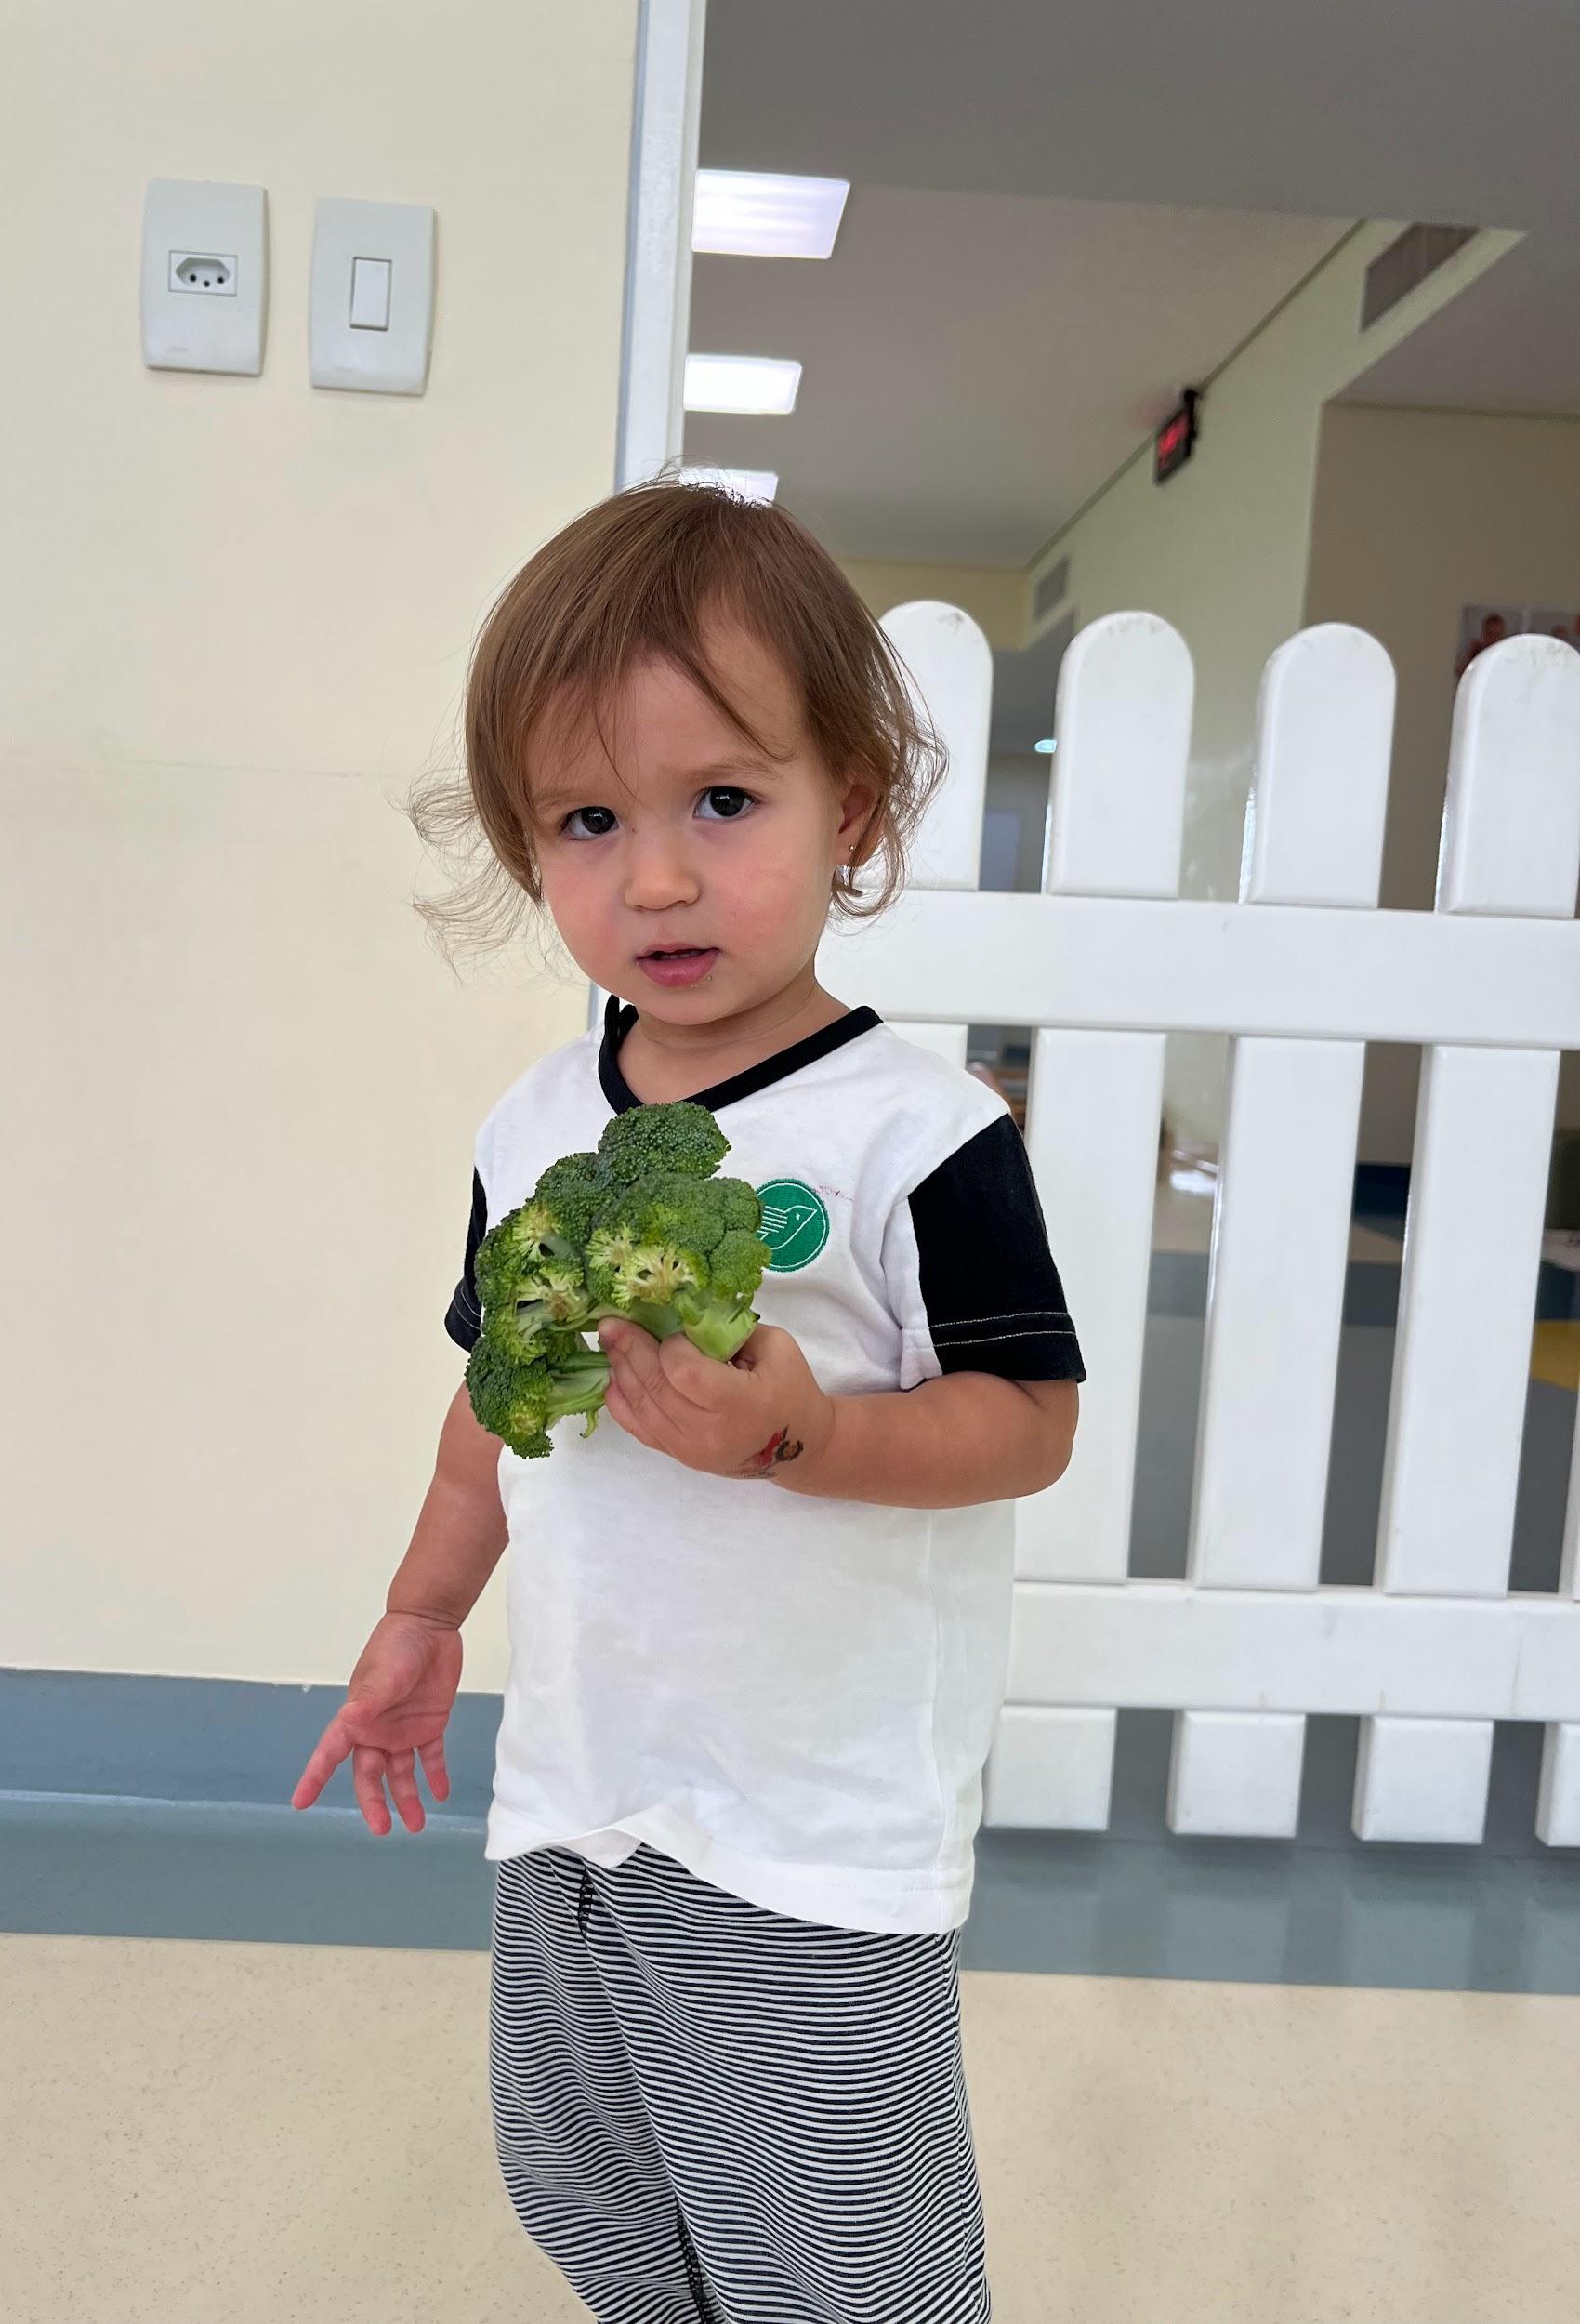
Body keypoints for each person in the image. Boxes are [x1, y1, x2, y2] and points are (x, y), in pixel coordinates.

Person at [291, 481, 1085, 2322]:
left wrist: (812, 1433)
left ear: (849, 810)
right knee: (586, 2178)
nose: (652, 878)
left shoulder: (918, 1134)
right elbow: (495, 1398)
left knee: (840, 2254)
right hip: (585, 1784)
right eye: (589, 820)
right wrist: (421, 1613)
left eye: (721, 802)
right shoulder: (533, 1127)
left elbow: (1028, 1419)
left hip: (808, 1823)